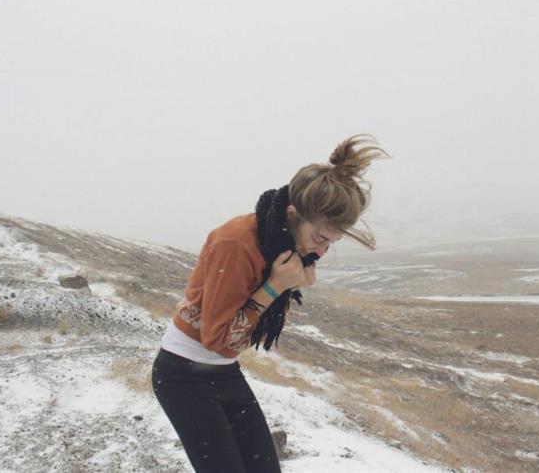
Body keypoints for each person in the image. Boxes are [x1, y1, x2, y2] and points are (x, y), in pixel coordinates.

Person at [151, 133, 390, 473]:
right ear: (293, 214)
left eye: (330, 243)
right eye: (320, 238)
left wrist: (288, 286)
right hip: (182, 375)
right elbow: (218, 341)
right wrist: (276, 287)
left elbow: (246, 336)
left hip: (222, 371)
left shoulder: (284, 244)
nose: (320, 251)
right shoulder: (235, 243)